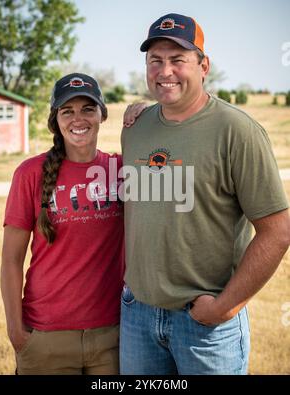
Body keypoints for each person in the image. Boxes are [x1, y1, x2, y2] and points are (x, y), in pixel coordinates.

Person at [120, 13, 290, 375]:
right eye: (155, 60)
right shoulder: (136, 127)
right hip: (137, 316)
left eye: (177, 59)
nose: (165, 71)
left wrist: (226, 307)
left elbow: (278, 230)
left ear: (203, 65)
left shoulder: (238, 131)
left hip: (203, 324)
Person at [1, 73, 127, 375]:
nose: (78, 118)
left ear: (102, 114)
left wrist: (142, 114)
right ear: (55, 120)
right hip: (46, 338)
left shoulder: (121, 169)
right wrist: (16, 331)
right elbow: (10, 260)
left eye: (87, 108)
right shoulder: (30, 173)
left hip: (112, 335)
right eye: (67, 111)